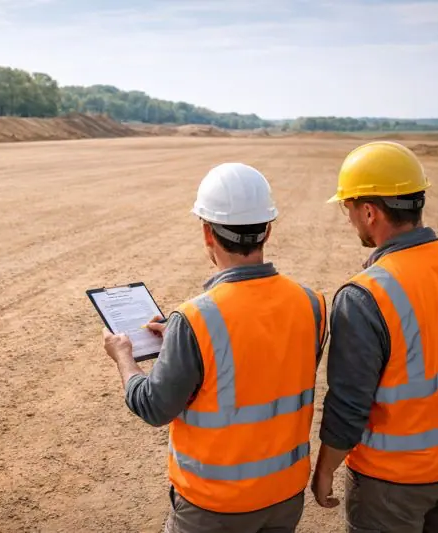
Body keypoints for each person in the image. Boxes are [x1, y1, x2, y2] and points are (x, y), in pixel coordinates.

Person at [101, 162, 327, 533]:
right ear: (268, 229)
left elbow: (154, 407)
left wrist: (124, 357)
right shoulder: (311, 303)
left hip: (214, 506)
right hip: (285, 496)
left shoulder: (196, 318)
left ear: (208, 232)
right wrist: (183, 343)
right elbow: (266, 361)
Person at [311, 141, 438, 532]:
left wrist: (326, 468)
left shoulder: (365, 294)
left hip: (393, 480)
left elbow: (350, 402)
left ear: (369, 212)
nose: (349, 219)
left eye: (348, 208)